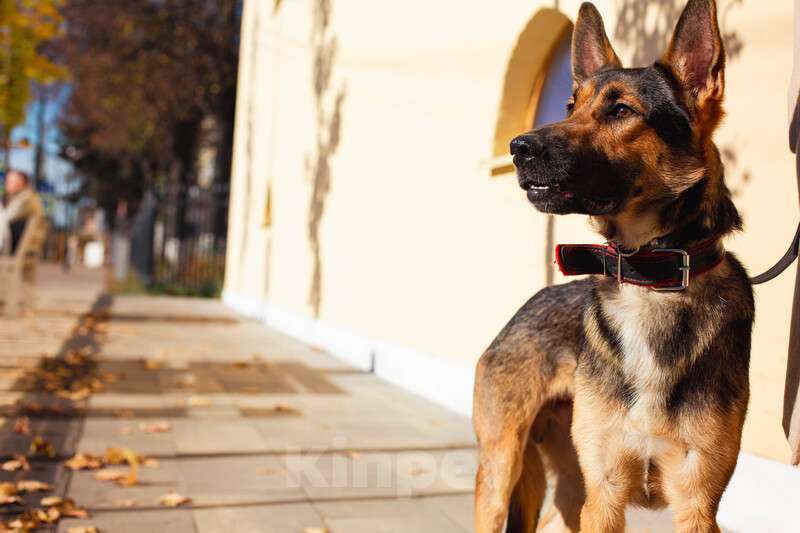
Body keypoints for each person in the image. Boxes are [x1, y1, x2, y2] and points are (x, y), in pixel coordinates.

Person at [0, 169, 44, 255]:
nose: (6, 183)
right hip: (22, 245)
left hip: (16, 247)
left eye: (10, 180)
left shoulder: (25, 198)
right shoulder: (29, 196)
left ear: (21, 182)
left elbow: (5, 217)